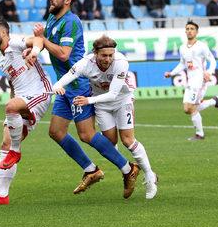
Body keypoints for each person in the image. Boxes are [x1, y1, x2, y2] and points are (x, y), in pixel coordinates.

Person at [31, 0, 140, 196]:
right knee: (56, 132)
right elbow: (44, 44)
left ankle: (128, 169)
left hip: (78, 85)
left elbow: (63, 53)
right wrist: (33, 46)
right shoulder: (52, 18)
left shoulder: (71, 22)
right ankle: (91, 170)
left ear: (67, 0)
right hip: (64, 85)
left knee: (87, 135)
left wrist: (41, 39)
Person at [53, 35, 158, 199]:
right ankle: (128, 170)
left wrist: (88, 100)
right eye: (104, 55)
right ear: (95, 53)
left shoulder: (121, 63)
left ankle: (150, 176)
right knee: (109, 142)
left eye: (111, 55)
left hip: (122, 101)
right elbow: (68, 75)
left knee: (128, 140)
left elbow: (113, 94)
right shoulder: (86, 63)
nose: (108, 59)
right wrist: (57, 85)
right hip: (102, 105)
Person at [0, 18, 51, 206]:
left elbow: (38, 41)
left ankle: (16, 150)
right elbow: (13, 84)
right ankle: (2, 195)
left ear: (3, 33)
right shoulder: (2, 61)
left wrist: (34, 53)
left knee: (11, 109)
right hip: (22, 99)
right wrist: (12, 105)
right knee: (5, 142)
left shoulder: (15, 43)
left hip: (40, 93)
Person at [165, 21, 218, 140]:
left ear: (196, 32)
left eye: (192, 28)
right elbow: (182, 64)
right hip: (190, 80)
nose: (189, 30)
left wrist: (209, 72)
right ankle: (214, 101)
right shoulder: (182, 48)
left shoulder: (201, 46)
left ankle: (200, 134)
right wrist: (171, 73)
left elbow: (212, 61)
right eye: (187, 28)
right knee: (190, 108)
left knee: (188, 108)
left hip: (200, 80)